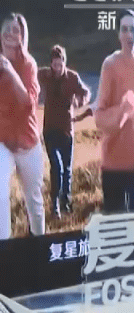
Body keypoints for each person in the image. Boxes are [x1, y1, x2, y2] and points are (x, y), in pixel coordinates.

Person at [91, 10, 134, 214]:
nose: (129, 35)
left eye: (133, 29)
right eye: (125, 30)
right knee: (116, 228)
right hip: (114, 164)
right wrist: (122, 111)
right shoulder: (110, 65)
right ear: (119, 35)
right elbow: (100, 115)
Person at [0, 12, 45, 238]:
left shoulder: (28, 64)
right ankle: (4, 247)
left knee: (34, 201)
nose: (10, 33)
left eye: (15, 30)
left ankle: (40, 244)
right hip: (3, 141)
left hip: (28, 143)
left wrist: (9, 70)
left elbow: (28, 104)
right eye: (6, 28)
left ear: (22, 36)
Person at [38, 44, 91, 218]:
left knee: (67, 170)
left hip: (67, 130)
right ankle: (54, 205)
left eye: (60, 65)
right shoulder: (44, 75)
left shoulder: (72, 78)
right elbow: (29, 76)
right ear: (51, 64)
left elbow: (86, 93)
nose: (58, 68)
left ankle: (65, 203)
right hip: (49, 129)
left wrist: (79, 102)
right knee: (57, 167)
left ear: (64, 63)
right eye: (55, 65)